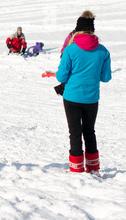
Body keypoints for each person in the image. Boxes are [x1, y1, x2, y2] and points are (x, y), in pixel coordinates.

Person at [56, 10, 111, 176]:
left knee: (75, 132)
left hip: (72, 97)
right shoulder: (103, 51)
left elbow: (61, 76)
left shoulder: (70, 50)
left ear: (77, 30)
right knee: (89, 131)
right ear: (92, 30)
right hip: (92, 98)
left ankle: (76, 169)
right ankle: (93, 168)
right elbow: (106, 77)